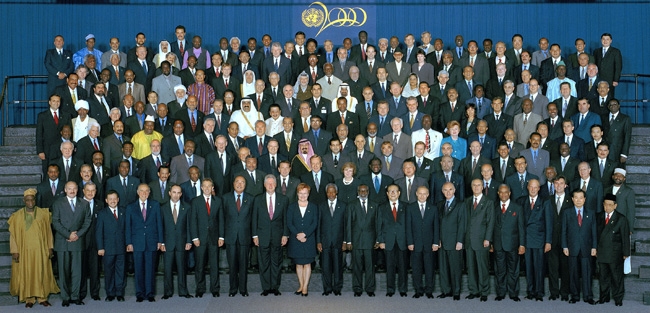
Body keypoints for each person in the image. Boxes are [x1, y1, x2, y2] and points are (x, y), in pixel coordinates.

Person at [9, 188, 59, 308]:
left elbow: (48, 232)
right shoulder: (17, 216)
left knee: (41, 272)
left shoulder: (43, 214)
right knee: (28, 273)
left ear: (35, 200)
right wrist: (15, 250)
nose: (30, 202)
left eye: (32, 199)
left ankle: (42, 297)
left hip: (40, 250)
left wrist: (50, 247)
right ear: (24, 200)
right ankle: (29, 299)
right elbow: (13, 236)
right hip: (24, 250)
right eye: (27, 200)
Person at [52, 181, 91, 307]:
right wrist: (68, 234)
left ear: (78, 189)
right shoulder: (58, 203)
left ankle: (75, 296)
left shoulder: (84, 204)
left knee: (77, 271)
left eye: (74, 188)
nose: (72, 191)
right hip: (62, 242)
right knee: (63, 271)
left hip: (78, 241)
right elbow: (55, 222)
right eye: (70, 188)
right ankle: (65, 297)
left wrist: (77, 234)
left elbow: (87, 221)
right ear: (65, 189)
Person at [125, 184, 163, 302]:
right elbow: (128, 227)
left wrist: (160, 241)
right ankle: (140, 293)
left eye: (146, 191)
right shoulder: (131, 207)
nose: (144, 193)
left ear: (149, 192)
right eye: (142, 191)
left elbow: (159, 224)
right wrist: (129, 243)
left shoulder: (155, 205)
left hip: (152, 242)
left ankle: (150, 293)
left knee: (150, 269)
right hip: (137, 243)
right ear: (137, 192)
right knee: (138, 269)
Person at [252, 175, 289, 296]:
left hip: (278, 236)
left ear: (276, 184)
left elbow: (285, 219)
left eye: (272, 183)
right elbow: (254, 219)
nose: (270, 185)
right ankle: (266, 287)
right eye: (268, 183)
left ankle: (275, 287)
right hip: (262, 236)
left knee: (276, 263)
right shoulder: (258, 199)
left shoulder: (283, 199)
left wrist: (285, 235)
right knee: (263, 263)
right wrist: (255, 236)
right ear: (264, 185)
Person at [562, 189, 597, 305]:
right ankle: (575, 296)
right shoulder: (567, 212)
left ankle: (588, 296)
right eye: (576, 197)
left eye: (581, 197)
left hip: (586, 248)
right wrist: (564, 246)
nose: (578, 200)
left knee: (587, 273)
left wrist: (594, 247)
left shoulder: (591, 213)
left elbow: (594, 232)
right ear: (572, 199)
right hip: (572, 247)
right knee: (573, 273)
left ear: (584, 199)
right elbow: (564, 231)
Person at [189, 179, 223, 298]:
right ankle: (200, 288)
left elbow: (221, 220)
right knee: (200, 265)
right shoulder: (195, 201)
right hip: (200, 239)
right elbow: (192, 221)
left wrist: (221, 236)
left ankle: (215, 289)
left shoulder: (218, 201)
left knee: (214, 265)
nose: (207, 188)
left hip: (214, 238)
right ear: (202, 188)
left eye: (210, 186)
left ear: (213, 188)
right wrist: (194, 238)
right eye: (205, 186)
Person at [493, 184, 525, 302]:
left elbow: (521, 227)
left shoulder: (517, 207)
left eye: (506, 192)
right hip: (498, 244)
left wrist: (522, 244)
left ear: (510, 193)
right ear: (498, 193)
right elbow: (491, 226)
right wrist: (491, 243)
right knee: (499, 270)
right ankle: (500, 293)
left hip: (513, 244)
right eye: (501, 192)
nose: (503, 194)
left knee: (513, 270)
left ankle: (513, 293)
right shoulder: (494, 207)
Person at [597, 194, 630, 307]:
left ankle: (618, 298)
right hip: (601, 252)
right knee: (603, 277)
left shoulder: (621, 219)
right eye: (606, 204)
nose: (608, 207)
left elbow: (625, 237)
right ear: (603, 205)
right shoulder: (599, 217)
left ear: (615, 205)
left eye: (610, 205)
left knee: (617, 278)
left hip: (615, 253)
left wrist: (626, 253)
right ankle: (604, 297)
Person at [464, 179, 494, 301]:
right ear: (471, 187)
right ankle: (474, 290)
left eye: (478, 185)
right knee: (471, 267)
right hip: (469, 240)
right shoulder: (466, 201)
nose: (476, 187)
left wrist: (488, 239)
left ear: (483, 187)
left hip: (482, 240)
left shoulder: (488, 202)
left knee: (482, 267)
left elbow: (490, 222)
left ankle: (484, 292)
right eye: (474, 185)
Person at [346, 184, 379, 297]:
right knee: (357, 267)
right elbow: (348, 224)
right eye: (361, 191)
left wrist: (378, 240)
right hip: (356, 241)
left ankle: (370, 289)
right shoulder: (351, 205)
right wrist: (348, 241)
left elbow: (377, 224)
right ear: (358, 192)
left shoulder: (374, 205)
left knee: (370, 267)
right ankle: (357, 289)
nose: (363, 193)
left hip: (370, 241)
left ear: (368, 191)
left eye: (365, 191)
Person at [223, 175, 253, 297]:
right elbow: (222, 218)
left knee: (244, 264)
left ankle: (243, 289)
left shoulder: (251, 199)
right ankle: (233, 289)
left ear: (245, 185)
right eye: (237, 182)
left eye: (242, 182)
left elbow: (253, 219)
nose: (239, 184)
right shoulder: (225, 198)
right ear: (233, 183)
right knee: (232, 265)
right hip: (230, 236)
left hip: (245, 236)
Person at [377, 184, 409, 297]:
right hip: (388, 241)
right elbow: (379, 225)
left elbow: (409, 226)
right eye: (390, 191)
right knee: (389, 266)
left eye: (395, 191)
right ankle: (390, 289)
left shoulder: (406, 206)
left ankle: (403, 289)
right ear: (387, 194)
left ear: (399, 193)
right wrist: (381, 241)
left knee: (403, 266)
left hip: (403, 241)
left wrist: (409, 241)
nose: (393, 193)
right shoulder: (382, 207)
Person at [95, 190, 126, 302]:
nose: (113, 201)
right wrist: (100, 247)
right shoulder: (102, 213)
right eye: (110, 199)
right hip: (107, 248)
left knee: (120, 271)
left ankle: (119, 293)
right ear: (106, 201)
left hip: (121, 247)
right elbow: (99, 232)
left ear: (118, 200)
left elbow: (126, 229)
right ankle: (110, 293)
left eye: (115, 199)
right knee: (108, 271)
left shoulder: (123, 211)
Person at [436, 182, 466, 301]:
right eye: (445, 190)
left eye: (450, 190)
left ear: (454, 190)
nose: (448, 192)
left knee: (455, 268)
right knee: (443, 268)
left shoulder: (460, 204)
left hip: (455, 242)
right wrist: (437, 239)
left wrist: (460, 241)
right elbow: (437, 224)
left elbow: (462, 224)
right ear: (442, 191)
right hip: (442, 242)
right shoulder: (440, 204)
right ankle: (446, 290)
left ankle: (456, 291)